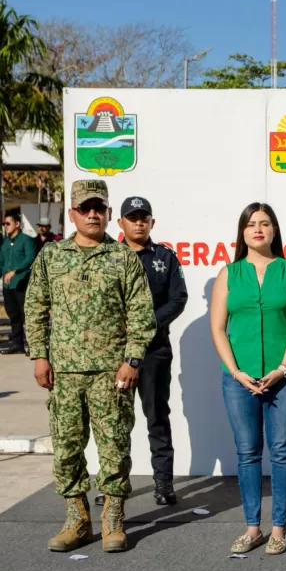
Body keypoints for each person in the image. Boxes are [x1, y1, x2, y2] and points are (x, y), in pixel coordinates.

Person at [25, 179, 156, 554]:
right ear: (73, 214)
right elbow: (36, 308)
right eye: (85, 208)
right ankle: (76, 519)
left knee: (114, 446)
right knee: (67, 447)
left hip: (110, 373)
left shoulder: (124, 258)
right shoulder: (52, 256)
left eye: (99, 207)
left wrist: (132, 360)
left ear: (109, 212)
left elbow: (141, 314)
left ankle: (113, 519)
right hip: (64, 372)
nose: (93, 214)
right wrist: (39, 355)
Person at [210, 202, 286, 556]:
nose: (258, 229)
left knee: (281, 452)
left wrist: (282, 368)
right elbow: (218, 329)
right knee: (248, 453)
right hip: (239, 379)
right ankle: (253, 528)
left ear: (274, 230)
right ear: (242, 232)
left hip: (284, 377)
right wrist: (236, 372)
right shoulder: (229, 274)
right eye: (251, 224)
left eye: (265, 223)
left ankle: (279, 529)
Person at [94, 197, 187, 507]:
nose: (138, 222)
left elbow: (177, 299)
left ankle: (163, 483)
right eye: (131, 217)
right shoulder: (106, 257)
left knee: (156, 417)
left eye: (143, 217)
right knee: (112, 420)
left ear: (152, 222)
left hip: (154, 352)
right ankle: (112, 483)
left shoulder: (165, 257)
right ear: (119, 222)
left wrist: (146, 325)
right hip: (113, 353)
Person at [0, 211, 37, 356]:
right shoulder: (5, 241)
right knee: (13, 316)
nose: (5, 226)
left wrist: (15, 271)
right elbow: (0, 262)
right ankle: (17, 345)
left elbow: (30, 258)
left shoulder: (27, 240)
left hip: (22, 284)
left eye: (8, 223)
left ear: (17, 224)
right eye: (4, 224)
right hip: (7, 286)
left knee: (27, 316)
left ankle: (33, 346)